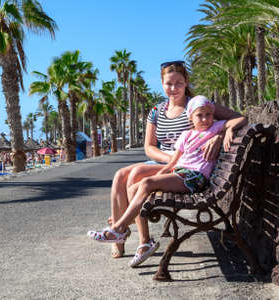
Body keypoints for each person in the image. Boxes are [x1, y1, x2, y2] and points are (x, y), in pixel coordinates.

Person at [102, 61, 247, 264]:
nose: (173, 88)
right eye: (169, 84)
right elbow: (149, 147)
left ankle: (139, 238)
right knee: (119, 176)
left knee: (134, 176)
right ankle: (120, 235)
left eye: (178, 83)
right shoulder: (156, 111)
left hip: (186, 164)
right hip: (167, 159)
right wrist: (170, 158)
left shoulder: (197, 105)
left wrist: (220, 134)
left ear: (186, 82)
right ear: (161, 84)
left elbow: (237, 118)